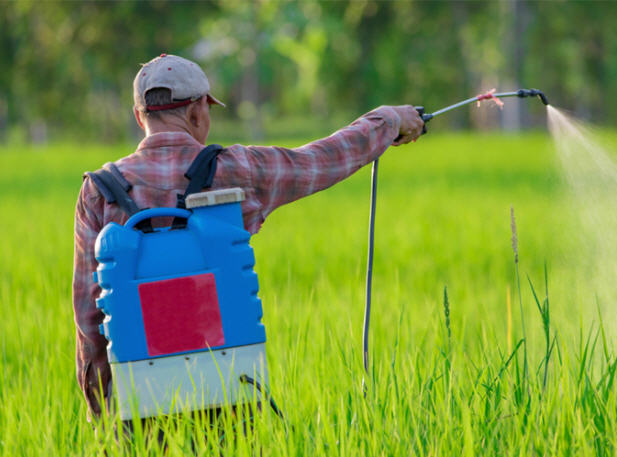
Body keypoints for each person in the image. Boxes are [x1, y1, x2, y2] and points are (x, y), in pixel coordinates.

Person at [72, 54, 425, 422]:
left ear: (138, 115)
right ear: (197, 113)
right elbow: (321, 160)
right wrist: (388, 120)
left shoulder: (98, 191)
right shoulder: (236, 169)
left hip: (138, 398)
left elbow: (89, 313)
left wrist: (105, 409)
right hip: (231, 392)